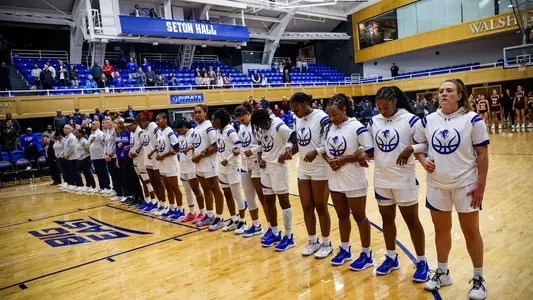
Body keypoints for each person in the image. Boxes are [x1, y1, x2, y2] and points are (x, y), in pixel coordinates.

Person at [403, 79, 489, 300]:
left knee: (471, 232)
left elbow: (482, 154)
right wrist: (422, 161)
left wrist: (481, 186)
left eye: (449, 91)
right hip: (437, 185)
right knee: (441, 231)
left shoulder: (473, 120)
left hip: (466, 186)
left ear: (460, 95)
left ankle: (479, 277)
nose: (443, 94)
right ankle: (442, 272)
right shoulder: (429, 120)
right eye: (440, 91)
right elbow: (419, 145)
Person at [365, 86, 430, 281]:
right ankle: (391, 257)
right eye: (379, 108)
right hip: (381, 180)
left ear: (394, 101)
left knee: (412, 222)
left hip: (404, 180)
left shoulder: (411, 120)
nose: (382, 111)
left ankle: (421, 261)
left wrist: (411, 148)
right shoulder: (373, 121)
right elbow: (368, 147)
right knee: (387, 220)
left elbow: (426, 144)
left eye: (385, 107)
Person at [318, 94, 374, 271]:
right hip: (335, 180)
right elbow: (325, 150)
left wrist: (344, 159)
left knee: (359, 216)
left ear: (344, 109)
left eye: (335, 114)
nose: (332, 118)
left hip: (354, 180)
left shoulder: (357, 127)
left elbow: (370, 152)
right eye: (329, 115)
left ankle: (366, 253)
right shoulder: (329, 128)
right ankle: (345, 249)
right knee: (342, 217)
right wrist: (331, 162)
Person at [289, 92, 333, 259]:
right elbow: (295, 140)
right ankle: (313, 241)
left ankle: (326, 243)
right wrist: (289, 150)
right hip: (303, 168)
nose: (294, 112)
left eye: (296, 108)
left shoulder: (322, 117)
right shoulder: (297, 119)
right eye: (292, 110)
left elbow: (329, 142)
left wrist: (317, 151)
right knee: (307, 206)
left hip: (320, 168)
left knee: (321, 206)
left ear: (305, 103)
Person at [251, 108, 297, 251]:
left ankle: (289, 236)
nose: (260, 128)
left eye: (261, 124)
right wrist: (260, 159)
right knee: (269, 201)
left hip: (278, 168)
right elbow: (261, 146)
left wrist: (287, 153)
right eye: (257, 125)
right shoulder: (259, 127)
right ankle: (275, 232)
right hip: (266, 168)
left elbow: (294, 138)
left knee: (283, 202)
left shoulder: (278, 125)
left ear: (267, 119)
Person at [234, 102, 267, 238]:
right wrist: (237, 149)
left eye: (243, 119)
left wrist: (252, 151)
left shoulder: (257, 125)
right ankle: (256, 225)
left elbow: (263, 144)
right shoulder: (241, 127)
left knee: (262, 196)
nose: (241, 122)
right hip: (244, 164)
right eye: (239, 121)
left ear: (249, 114)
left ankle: (272, 227)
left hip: (256, 164)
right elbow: (242, 144)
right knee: (249, 196)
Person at [212, 108, 247, 233]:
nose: (212, 121)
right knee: (227, 195)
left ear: (219, 120)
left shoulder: (230, 130)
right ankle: (233, 220)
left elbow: (239, 146)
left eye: (213, 119)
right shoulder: (217, 131)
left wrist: (228, 158)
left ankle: (243, 222)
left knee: (237, 195)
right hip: (221, 167)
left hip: (232, 166)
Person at [190, 104, 225, 227]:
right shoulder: (196, 128)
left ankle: (220, 218)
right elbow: (199, 145)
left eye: (199, 112)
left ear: (205, 113)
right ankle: (209, 216)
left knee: (215, 189)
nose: (197, 115)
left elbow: (216, 147)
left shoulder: (209, 127)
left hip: (209, 164)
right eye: (195, 112)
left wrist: (200, 156)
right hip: (199, 165)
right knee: (206, 190)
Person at [152, 113, 185, 219]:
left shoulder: (170, 132)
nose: (157, 122)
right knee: (167, 187)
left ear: (165, 119)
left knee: (174, 187)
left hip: (170, 163)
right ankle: (171, 208)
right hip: (162, 164)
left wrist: (164, 156)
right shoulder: (159, 132)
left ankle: (180, 210)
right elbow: (161, 147)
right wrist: (158, 154)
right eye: (156, 120)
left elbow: (176, 147)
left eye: (159, 119)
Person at [174, 119, 205, 222]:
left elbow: (199, 144)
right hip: (182, 166)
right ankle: (192, 212)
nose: (177, 132)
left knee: (196, 190)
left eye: (178, 130)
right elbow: (180, 148)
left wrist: (190, 147)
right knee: (187, 191)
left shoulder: (194, 133)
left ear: (184, 127)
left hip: (192, 166)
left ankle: (202, 213)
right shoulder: (180, 136)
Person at [136, 111, 165, 214]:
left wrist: (155, 152)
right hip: (147, 159)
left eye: (139, 123)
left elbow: (161, 141)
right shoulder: (144, 130)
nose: (139, 125)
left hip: (155, 159)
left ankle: (164, 205)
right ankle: (160, 203)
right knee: (152, 182)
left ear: (144, 120)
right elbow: (145, 143)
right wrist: (139, 149)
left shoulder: (154, 127)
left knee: (159, 182)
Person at [125, 117, 152, 207]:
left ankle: (153, 201)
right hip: (135, 159)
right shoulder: (132, 133)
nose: (127, 128)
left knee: (147, 181)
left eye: (128, 126)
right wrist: (130, 151)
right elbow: (133, 145)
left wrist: (136, 152)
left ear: (133, 124)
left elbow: (145, 145)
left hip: (142, 159)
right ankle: (147, 200)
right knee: (142, 181)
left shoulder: (140, 132)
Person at [115, 118, 138, 202]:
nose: (119, 125)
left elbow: (132, 144)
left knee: (132, 179)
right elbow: (118, 147)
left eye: (120, 123)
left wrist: (127, 146)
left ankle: (135, 196)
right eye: (118, 123)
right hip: (122, 159)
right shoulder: (120, 134)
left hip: (130, 159)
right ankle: (129, 195)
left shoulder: (129, 133)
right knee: (126, 178)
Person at [88, 120, 111, 194]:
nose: (92, 125)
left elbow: (104, 143)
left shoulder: (100, 133)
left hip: (100, 156)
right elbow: (88, 144)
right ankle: (101, 186)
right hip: (94, 156)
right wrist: (91, 141)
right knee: (98, 172)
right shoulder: (91, 134)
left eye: (94, 124)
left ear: (98, 125)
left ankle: (107, 186)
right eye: (92, 124)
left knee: (103, 171)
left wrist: (105, 153)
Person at [61, 125, 83, 192]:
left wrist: (67, 154)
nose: (64, 129)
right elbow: (65, 147)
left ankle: (80, 184)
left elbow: (72, 148)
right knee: (71, 171)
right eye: (64, 128)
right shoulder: (66, 137)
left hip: (73, 157)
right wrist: (64, 154)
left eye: (66, 128)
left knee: (75, 171)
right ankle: (74, 184)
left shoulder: (72, 137)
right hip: (68, 157)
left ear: (70, 129)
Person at [103, 118, 120, 198]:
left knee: (117, 175)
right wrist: (106, 154)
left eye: (108, 121)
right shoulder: (107, 132)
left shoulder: (114, 131)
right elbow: (106, 145)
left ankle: (119, 192)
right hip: (108, 156)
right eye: (105, 122)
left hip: (113, 156)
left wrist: (111, 155)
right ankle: (115, 190)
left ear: (112, 122)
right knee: (112, 174)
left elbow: (116, 144)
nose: (107, 122)